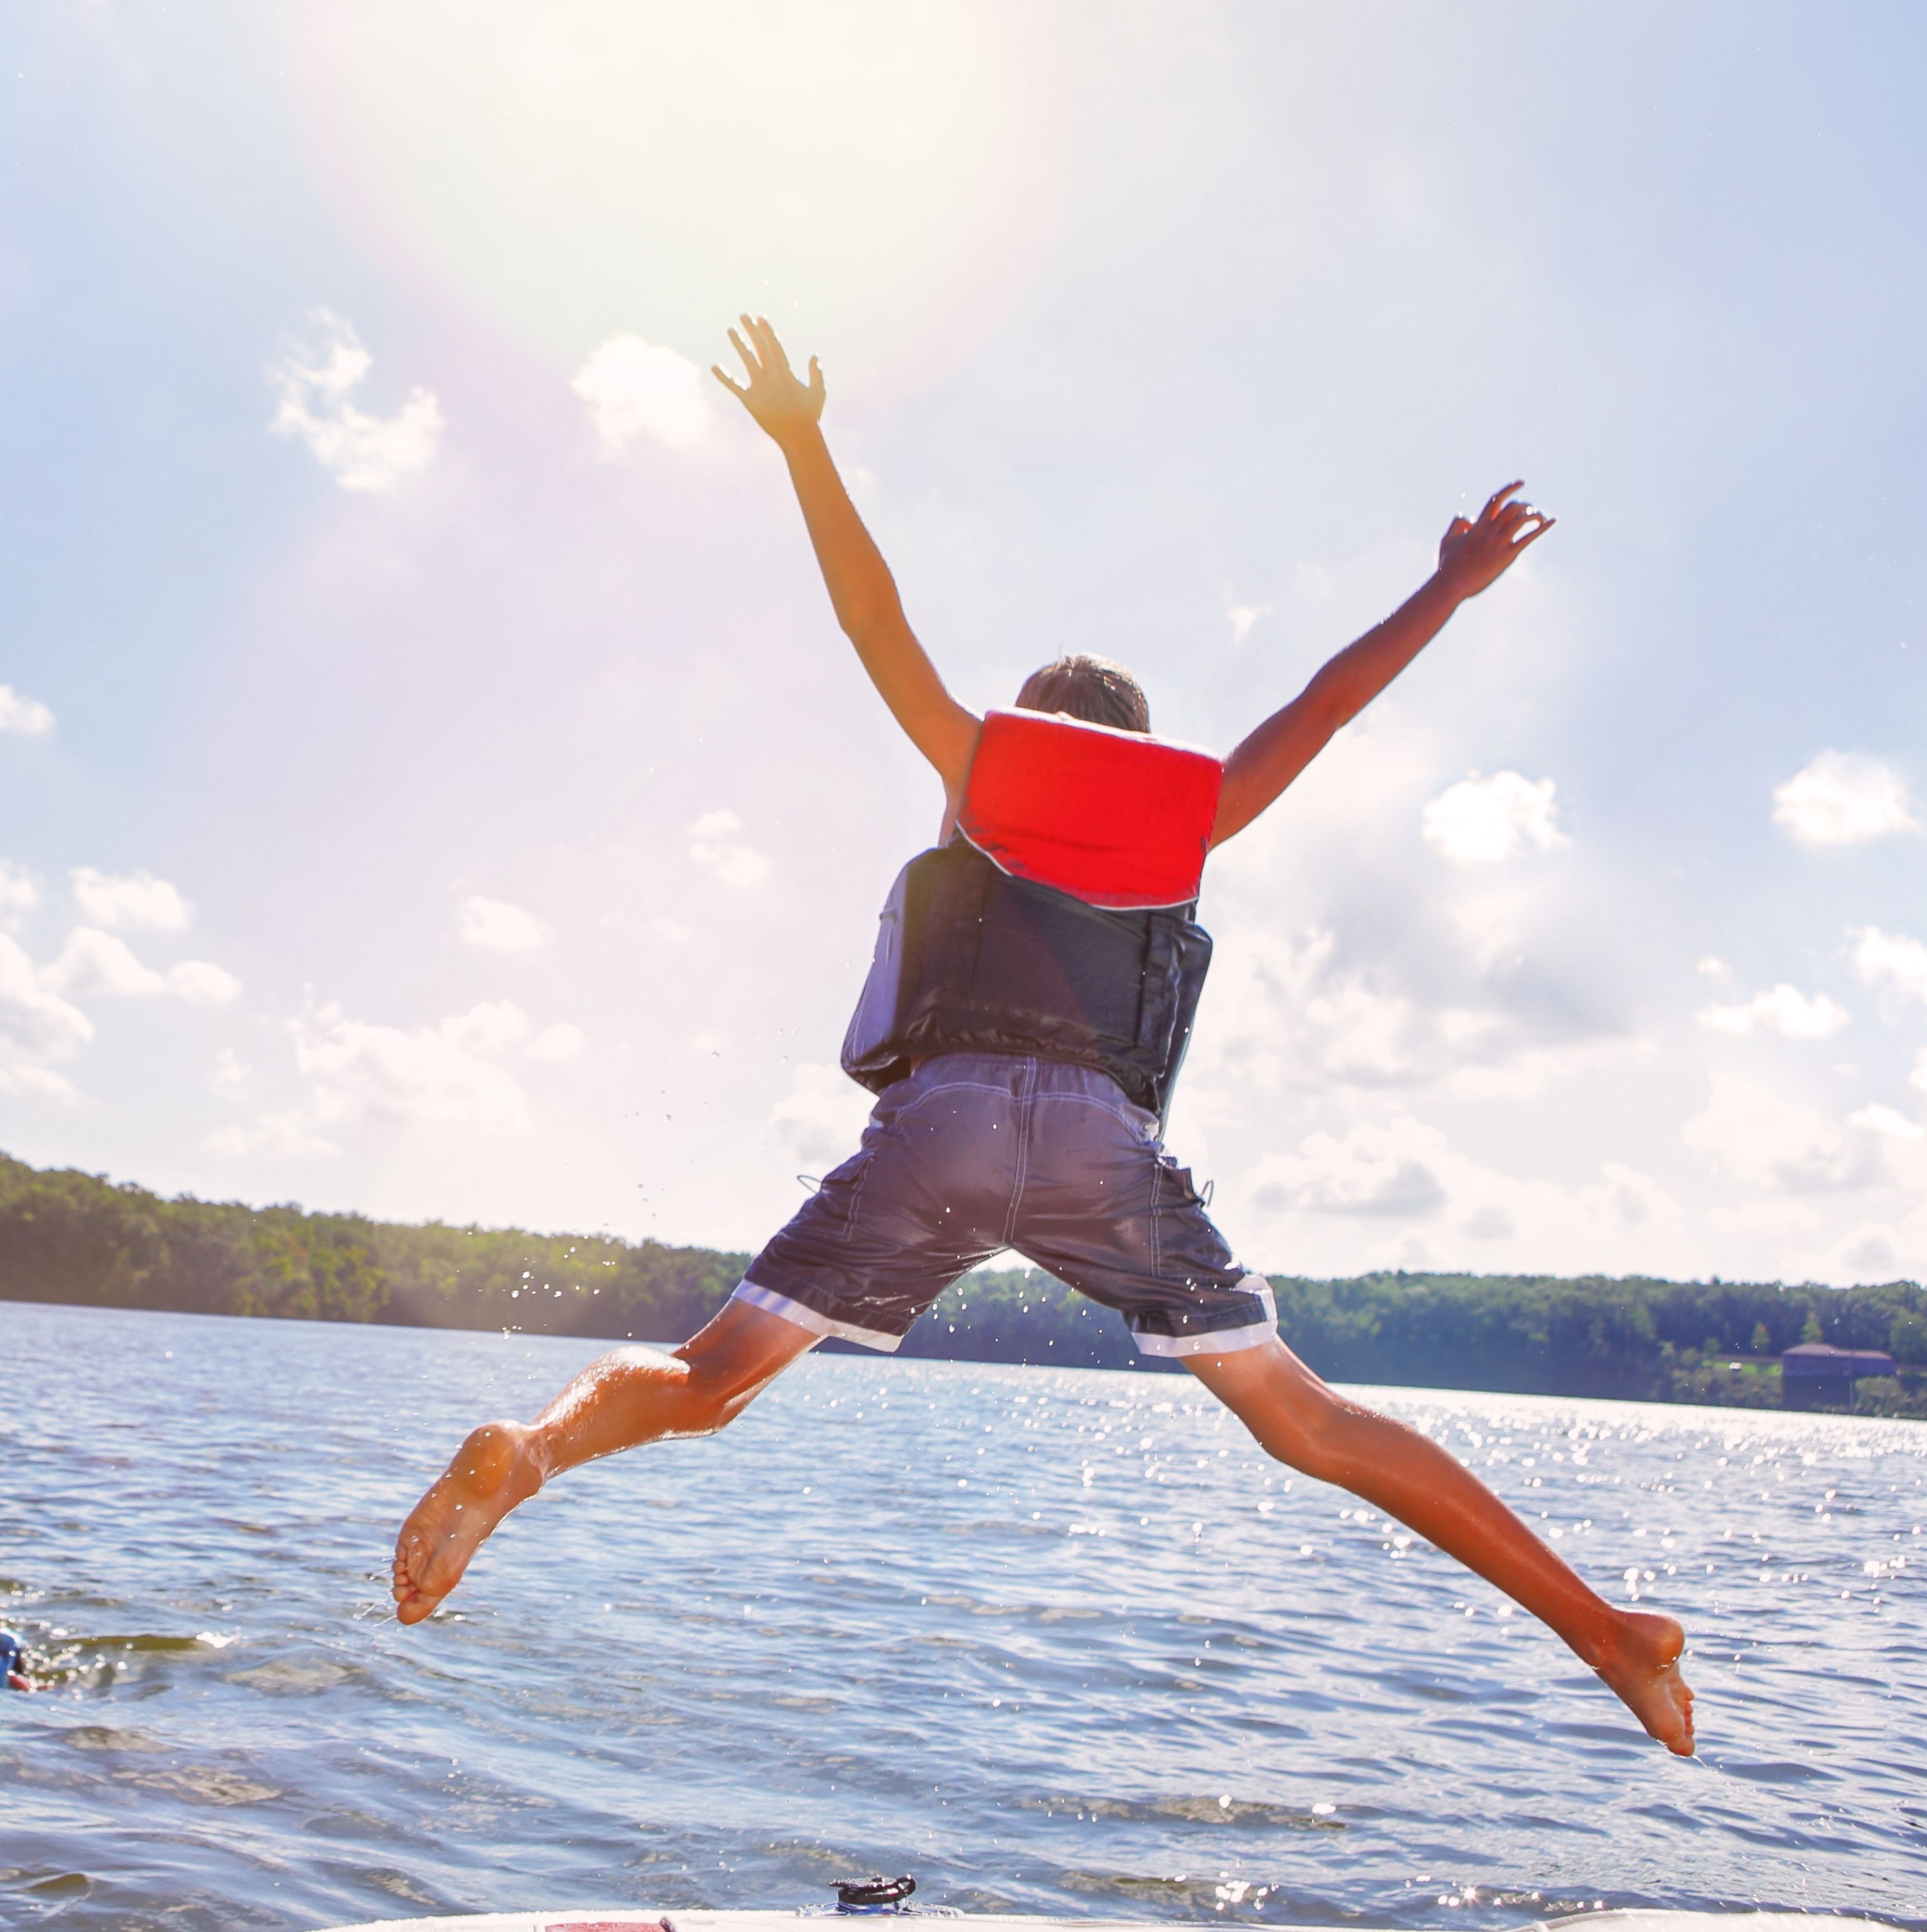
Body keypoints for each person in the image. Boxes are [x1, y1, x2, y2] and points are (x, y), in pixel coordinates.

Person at [387, 315, 1696, 1758]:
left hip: (938, 1124)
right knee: (1303, 1419)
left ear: (1023, 738)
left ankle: (533, 1447)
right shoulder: (1188, 814)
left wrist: (802, 441)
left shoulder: (974, 765)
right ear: (1137, 750)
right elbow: (1326, 700)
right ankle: (1602, 1628)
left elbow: (869, 623)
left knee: (705, 1381)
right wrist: (1445, 583)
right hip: (1095, 1141)